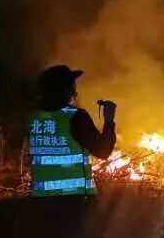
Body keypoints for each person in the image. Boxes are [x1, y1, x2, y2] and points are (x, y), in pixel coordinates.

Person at [28, 65, 117, 198]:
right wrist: (109, 121)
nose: (75, 91)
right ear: (65, 91)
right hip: (74, 200)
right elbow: (103, 151)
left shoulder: (33, 119)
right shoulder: (76, 117)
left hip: (41, 200)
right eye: (72, 86)